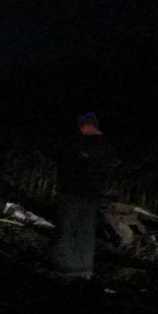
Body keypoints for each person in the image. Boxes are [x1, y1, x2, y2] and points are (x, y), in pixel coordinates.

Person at [51, 112, 114, 279]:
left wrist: (62, 187)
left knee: (67, 230)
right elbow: (106, 173)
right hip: (93, 196)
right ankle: (85, 270)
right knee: (86, 232)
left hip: (74, 194)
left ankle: (65, 269)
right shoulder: (107, 146)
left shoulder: (81, 143)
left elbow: (69, 167)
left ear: (85, 125)